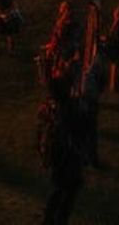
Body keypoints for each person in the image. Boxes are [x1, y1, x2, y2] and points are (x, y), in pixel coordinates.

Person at [38, 71, 89, 225]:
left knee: (58, 190)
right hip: (67, 156)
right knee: (67, 192)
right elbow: (76, 133)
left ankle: (49, 220)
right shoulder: (67, 110)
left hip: (58, 156)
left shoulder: (52, 106)